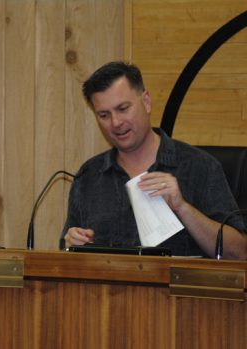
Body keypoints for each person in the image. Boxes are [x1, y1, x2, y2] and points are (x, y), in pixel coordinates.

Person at [61, 61, 246, 259]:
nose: (116, 123)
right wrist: (72, 244)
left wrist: (182, 208)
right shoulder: (88, 176)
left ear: (146, 101)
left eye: (123, 108)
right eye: (104, 115)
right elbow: (66, 259)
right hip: (106, 291)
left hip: (176, 290)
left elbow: (240, 253)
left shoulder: (200, 166)